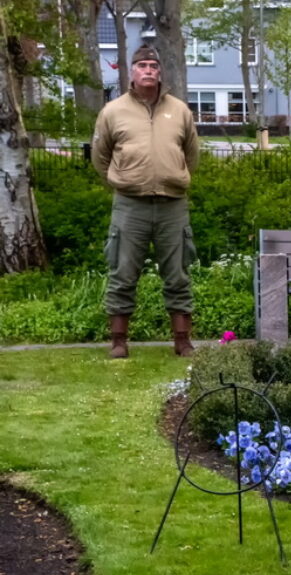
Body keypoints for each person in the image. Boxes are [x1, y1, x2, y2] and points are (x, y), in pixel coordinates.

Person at [91, 44, 200, 358]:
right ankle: (118, 342)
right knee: (122, 273)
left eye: (154, 65)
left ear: (160, 71)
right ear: (133, 72)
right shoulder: (113, 111)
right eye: (142, 66)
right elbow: (100, 157)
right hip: (130, 205)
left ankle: (182, 341)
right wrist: (122, 179)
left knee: (178, 274)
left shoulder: (179, 110)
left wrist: (172, 176)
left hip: (173, 205)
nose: (149, 70)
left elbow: (191, 156)